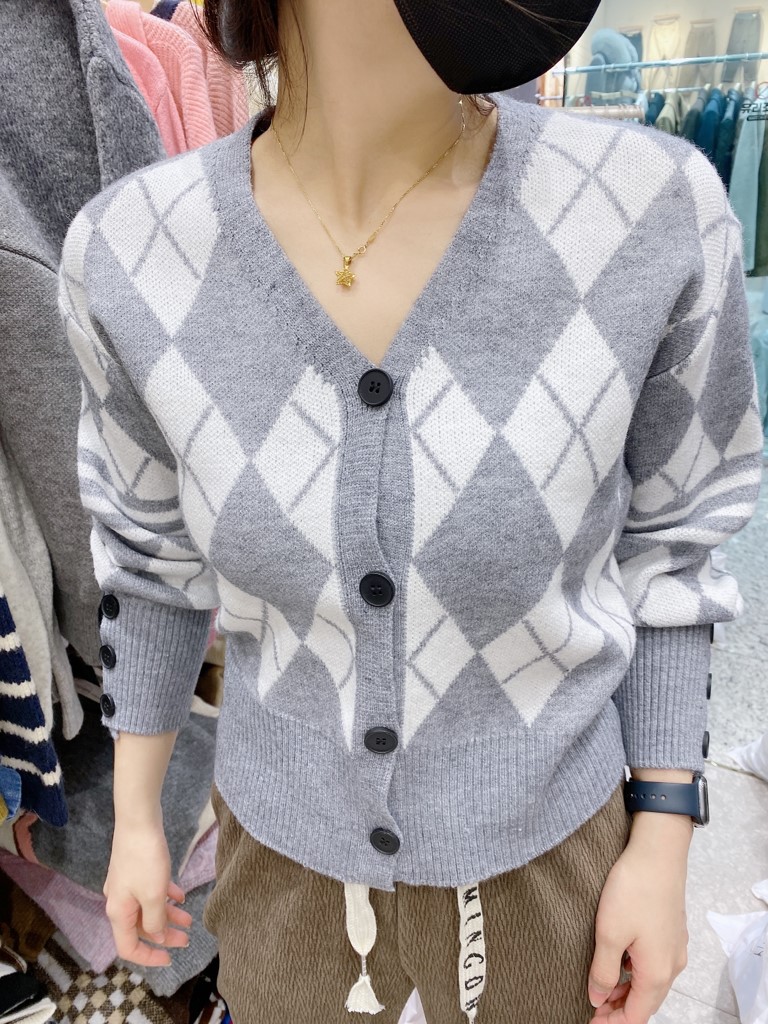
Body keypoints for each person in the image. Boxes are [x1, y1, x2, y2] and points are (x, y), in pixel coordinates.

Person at [58, 1, 763, 1022]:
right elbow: (150, 561)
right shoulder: (131, 256)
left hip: (551, 865)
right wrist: (136, 818)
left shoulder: (646, 213)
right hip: (283, 870)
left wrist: (662, 833)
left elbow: (672, 551)